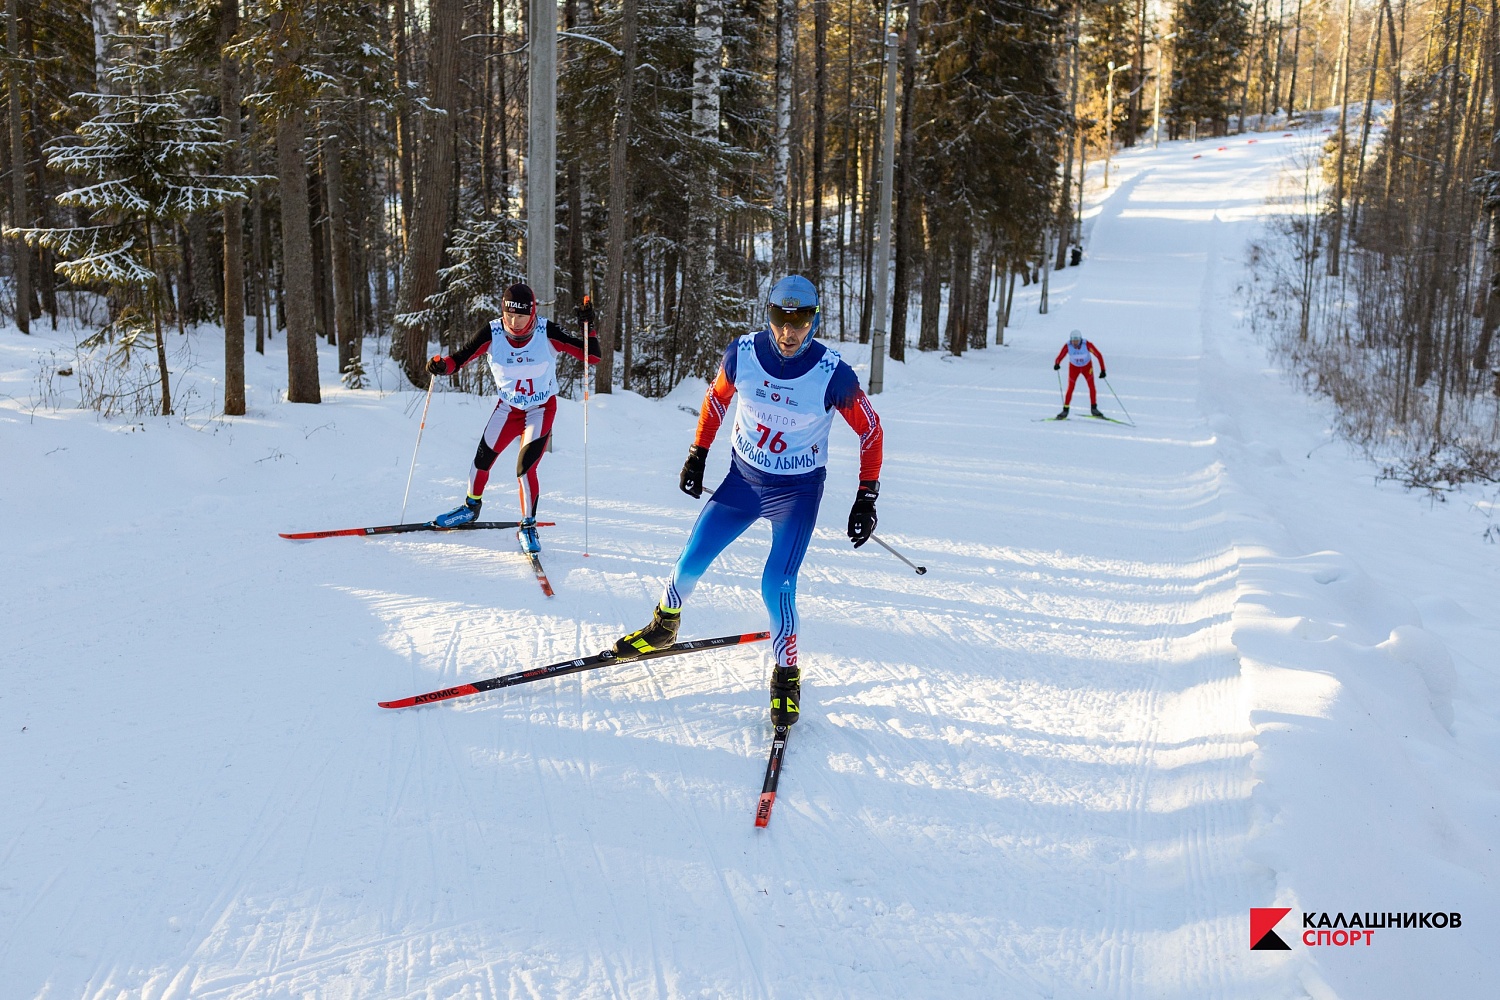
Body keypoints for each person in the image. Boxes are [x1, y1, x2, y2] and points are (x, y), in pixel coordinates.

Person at [608, 275, 884, 727]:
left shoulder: (833, 373)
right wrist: (698, 454)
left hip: (796, 492)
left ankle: (786, 674)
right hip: (743, 481)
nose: (788, 332)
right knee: (689, 562)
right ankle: (664, 625)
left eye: (800, 321)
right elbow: (716, 400)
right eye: (780, 319)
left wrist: (866, 497)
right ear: (769, 315)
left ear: (814, 320)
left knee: (776, 583)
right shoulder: (743, 354)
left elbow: (871, 430)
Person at [425, 283, 600, 553]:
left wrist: (589, 327)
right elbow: (458, 359)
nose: (514, 322)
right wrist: (441, 366)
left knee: (525, 467)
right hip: (508, 409)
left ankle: (528, 525)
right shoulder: (493, 332)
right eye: (509, 315)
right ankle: (471, 507)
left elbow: (593, 356)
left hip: (540, 409)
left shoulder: (546, 331)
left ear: (532, 313)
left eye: (520, 316)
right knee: (481, 459)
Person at [1053, 329, 1107, 419]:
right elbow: (1060, 356)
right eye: (1073, 341)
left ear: (1080, 340)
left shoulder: (1087, 345)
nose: (1075, 343)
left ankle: (1094, 409)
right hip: (1074, 368)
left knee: (1091, 386)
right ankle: (1065, 410)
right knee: (1070, 387)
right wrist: (1057, 363)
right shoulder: (1068, 346)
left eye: (1077, 341)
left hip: (1087, 367)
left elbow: (1098, 355)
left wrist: (1103, 370)